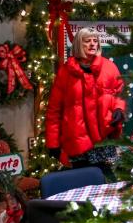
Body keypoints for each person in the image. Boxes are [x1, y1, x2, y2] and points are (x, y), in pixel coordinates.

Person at [45, 28, 127, 174]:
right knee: (82, 182)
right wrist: (53, 143)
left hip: (103, 140)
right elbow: (54, 110)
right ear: (78, 44)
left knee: (105, 183)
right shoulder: (65, 72)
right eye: (87, 41)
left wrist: (119, 109)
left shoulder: (109, 67)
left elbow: (119, 94)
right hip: (77, 141)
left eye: (95, 41)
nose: (92, 44)